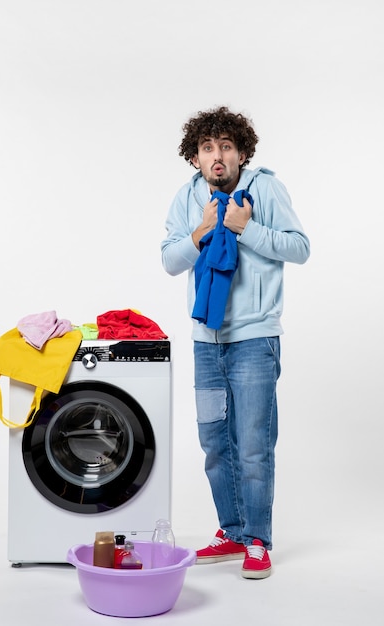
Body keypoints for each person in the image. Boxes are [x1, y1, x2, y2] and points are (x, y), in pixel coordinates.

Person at [161, 106, 310, 579]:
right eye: (208, 148)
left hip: (253, 340)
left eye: (226, 146)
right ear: (196, 157)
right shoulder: (187, 199)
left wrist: (246, 228)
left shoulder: (264, 189)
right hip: (206, 341)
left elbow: (299, 247)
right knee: (214, 443)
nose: (217, 155)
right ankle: (230, 530)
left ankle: (258, 540)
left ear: (242, 152)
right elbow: (169, 260)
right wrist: (202, 231)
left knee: (252, 445)